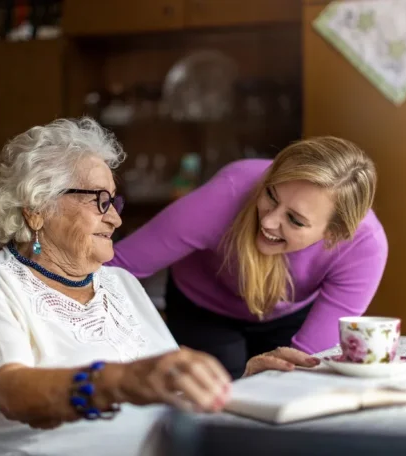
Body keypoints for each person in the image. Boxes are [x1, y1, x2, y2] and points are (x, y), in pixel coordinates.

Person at [0, 117, 320, 456]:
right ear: (37, 209)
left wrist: (236, 387)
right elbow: (11, 391)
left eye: (114, 201)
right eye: (100, 202)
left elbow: (166, 388)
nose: (117, 219)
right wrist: (120, 380)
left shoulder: (119, 284)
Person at [108, 137, 388, 378]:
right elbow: (115, 267)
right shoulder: (228, 193)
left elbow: (308, 363)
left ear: (334, 235)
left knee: (289, 388)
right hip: (204, 307)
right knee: (211, 401)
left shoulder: (364, 247)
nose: (268, 222)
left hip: (289, 314)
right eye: (271, 195)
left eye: (294, 220)